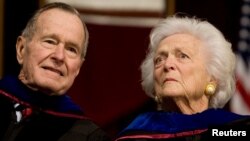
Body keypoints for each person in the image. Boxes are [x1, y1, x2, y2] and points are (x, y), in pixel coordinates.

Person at [115, 15, 250, 140]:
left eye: (183, 56)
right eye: (159, 60)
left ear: (212, 78)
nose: (167, 64)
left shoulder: (238, 129)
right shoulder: (135, 133)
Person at [0, 2, 110, 141]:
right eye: (50, 41)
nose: (59, 56)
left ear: (78, 68)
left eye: (71, 49)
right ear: (21, 49)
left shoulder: (91, 137)